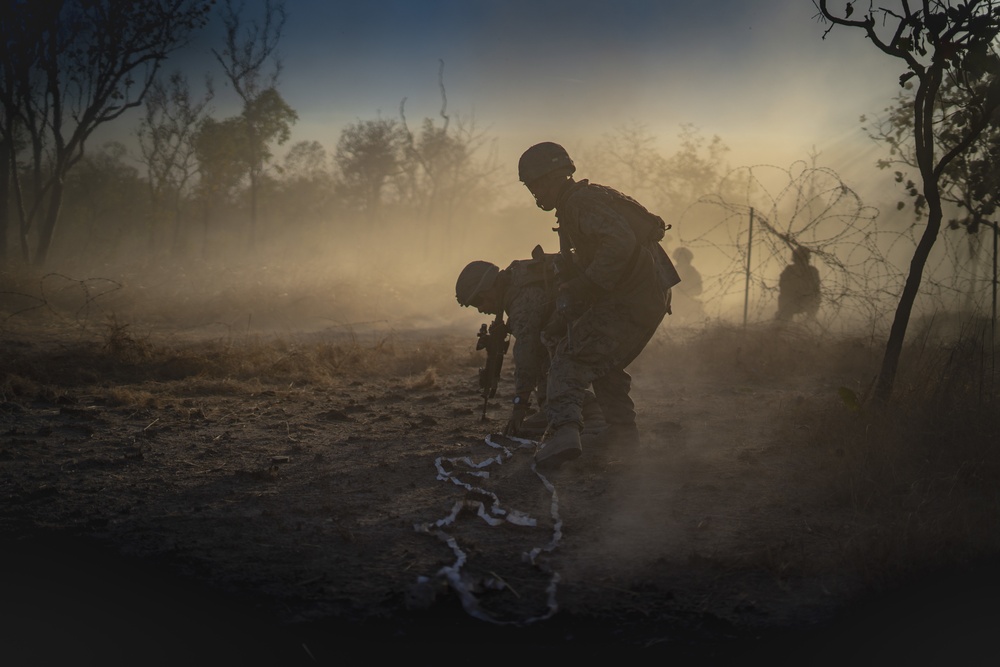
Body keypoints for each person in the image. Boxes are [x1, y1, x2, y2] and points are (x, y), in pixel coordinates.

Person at [517, 141, 677, 468]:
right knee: (600, 360)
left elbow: (619, 243)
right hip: (644, 296)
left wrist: (585, 286)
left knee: (570, 357)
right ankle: (622, 436)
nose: (535, 193)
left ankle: (564, 431)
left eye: (535, 185)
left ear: (552, 178)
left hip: (633, 299)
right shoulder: (583, 200)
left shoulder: (580, 203)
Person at [455, 252, 603, 437]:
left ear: (490, 286)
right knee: (546, 358)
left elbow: (526, 355)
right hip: (583, 324)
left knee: (553, 364)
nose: (481, 309)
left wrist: (519, 407)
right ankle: (553, 410)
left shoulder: (521, 301)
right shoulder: (515, 278)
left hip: (593, 327)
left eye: (479, 301)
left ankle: (592, 413)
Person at [775, 246, 821, 322]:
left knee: (816, 297)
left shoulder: (812, 271)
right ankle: (783, 322)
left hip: (805, 301)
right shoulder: (790, 270)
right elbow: (782, 286)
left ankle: (808, 322)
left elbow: (816, 289)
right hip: (792, 302)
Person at [671, 246, 705, 323]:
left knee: (696, 311)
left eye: (684, 259)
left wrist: (687, 291)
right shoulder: (671, 271)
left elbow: (699, 290)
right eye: (680, 259)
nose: (682, 261)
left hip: (688, 301)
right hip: (673, 302)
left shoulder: (693, 273)